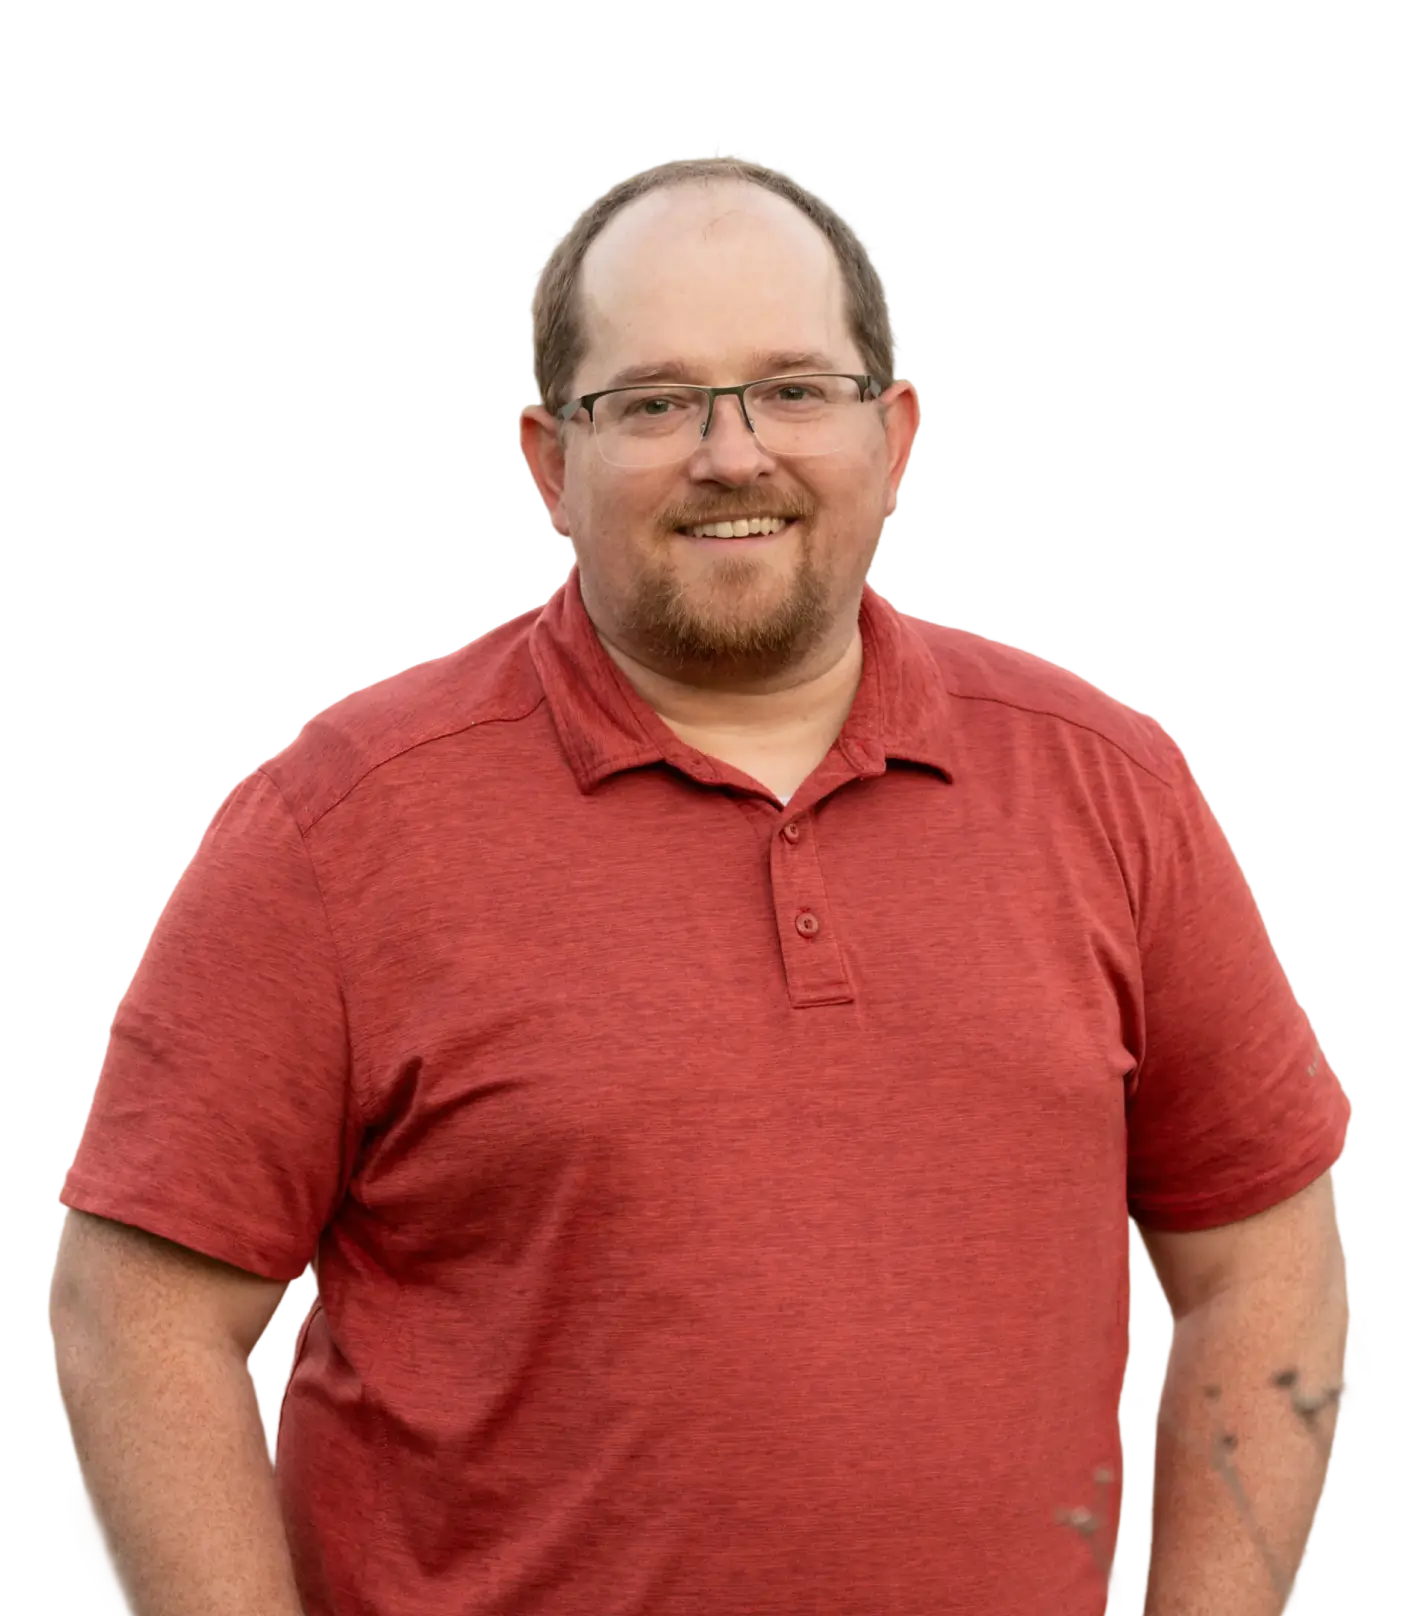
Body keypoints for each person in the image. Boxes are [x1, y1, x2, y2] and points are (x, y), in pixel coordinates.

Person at [52, 155, 1354, 1614]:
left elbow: (1265, 1272)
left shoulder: (1108, 784)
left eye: (793, 389)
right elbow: (142, 1320)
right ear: (547, 459)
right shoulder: (340, 825)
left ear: (896, 431)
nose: (731, 454)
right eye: (654, 403)